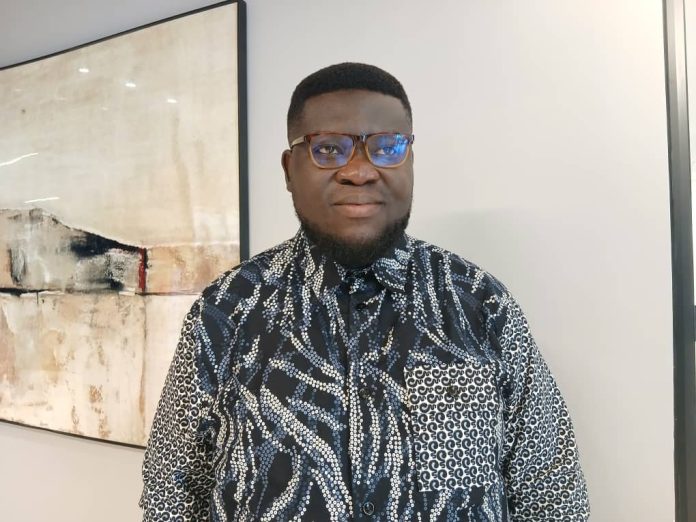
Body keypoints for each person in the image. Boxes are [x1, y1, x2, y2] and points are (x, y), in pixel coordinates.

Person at [140, 62, 589, 521]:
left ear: (410, 161)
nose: (359, 171)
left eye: (387, 147)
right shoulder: (226, 311)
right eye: (328, 148)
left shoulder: (480, 304)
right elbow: (171, 492)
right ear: (289, 169)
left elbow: (551, 492)